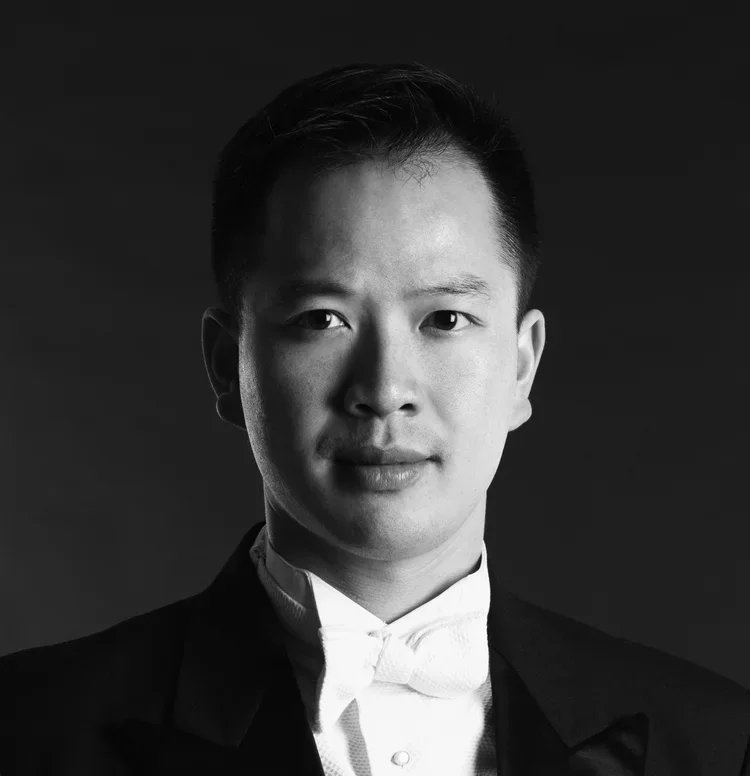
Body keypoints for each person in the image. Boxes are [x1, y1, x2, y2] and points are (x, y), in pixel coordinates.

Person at [0, 61, 748, 776]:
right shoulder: (29, 731)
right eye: (323, 319)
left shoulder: (716, 743)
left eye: (446, 318)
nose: (386, 389)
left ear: (522, 365)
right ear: (228, 364)